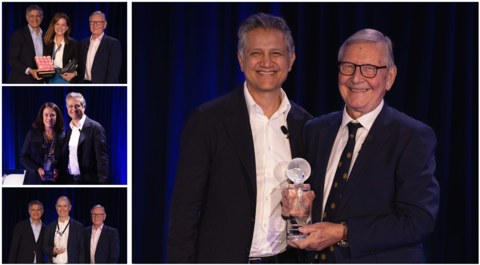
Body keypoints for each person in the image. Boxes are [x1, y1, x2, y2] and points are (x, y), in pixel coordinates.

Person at [167, 13, 312, 263]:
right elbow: (184, 211)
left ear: (291, 60)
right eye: (256, 53)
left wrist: (305, 213)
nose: (267, 62)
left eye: (276, 53)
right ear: (241, 59)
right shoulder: (208, 120)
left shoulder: (308, 125)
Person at [285, 29, 440, 263]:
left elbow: (418, 221)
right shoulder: (315, 129)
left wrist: (343, 232)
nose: (356, 78)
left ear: (389, 77)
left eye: (369, 68)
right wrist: (300, 213)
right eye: (348, 66)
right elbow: (314, 207)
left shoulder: (412, 136)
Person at [62, 92, 108, 184]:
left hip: (89, 181)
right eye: (70, 106)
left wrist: (103, 183)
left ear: (84, 107)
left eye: (77, 105)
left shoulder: (95, 128)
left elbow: (102, 159)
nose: (73, 109)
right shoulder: (68, 130)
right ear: (67, 108)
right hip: (70, 180)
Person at [20, 102, 65, 184]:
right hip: (34, 180)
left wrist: (58, 170)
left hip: (56, 181)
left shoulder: (64, 136)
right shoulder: (32, 134)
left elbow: (66, 161)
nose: (49, 118)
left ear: (57, 117)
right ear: (42, 117)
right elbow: (23, 157)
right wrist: (38, 169)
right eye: (46, 115)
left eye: (52, 115)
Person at [78, 11, 121, 83]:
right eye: (92, 22)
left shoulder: (113, 43)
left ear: (105, 24)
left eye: (99, 22)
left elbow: (113, 72)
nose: (95, 25)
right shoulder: (83, 43)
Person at [7, 5, 46, 83]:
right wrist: (30, 71)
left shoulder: (47, 36)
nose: (35, 19)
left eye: (37, 16)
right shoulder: (18, 35)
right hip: (21, 80)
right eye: (32, 16)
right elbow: (12, 59)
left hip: (41, 81)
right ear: (27, 17)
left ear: (42, 17)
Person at [43, 196, 84, 263]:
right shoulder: (49, 227)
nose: (62, 209)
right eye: (59, 206)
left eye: (65, 206)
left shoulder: (78, 227)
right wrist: (52, 251)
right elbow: (44, 247)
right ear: (56, 207)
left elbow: (82, 251)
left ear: (70, 207)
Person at [44, 13, 80, 84]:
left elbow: (80, 65)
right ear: (53, 26)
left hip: (67, 79)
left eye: (63, 25)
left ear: (67, 28)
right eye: (57, 24)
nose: (60, 27)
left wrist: (73, 74)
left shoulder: (74, 44)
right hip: (50, 79)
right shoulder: (46, 43)